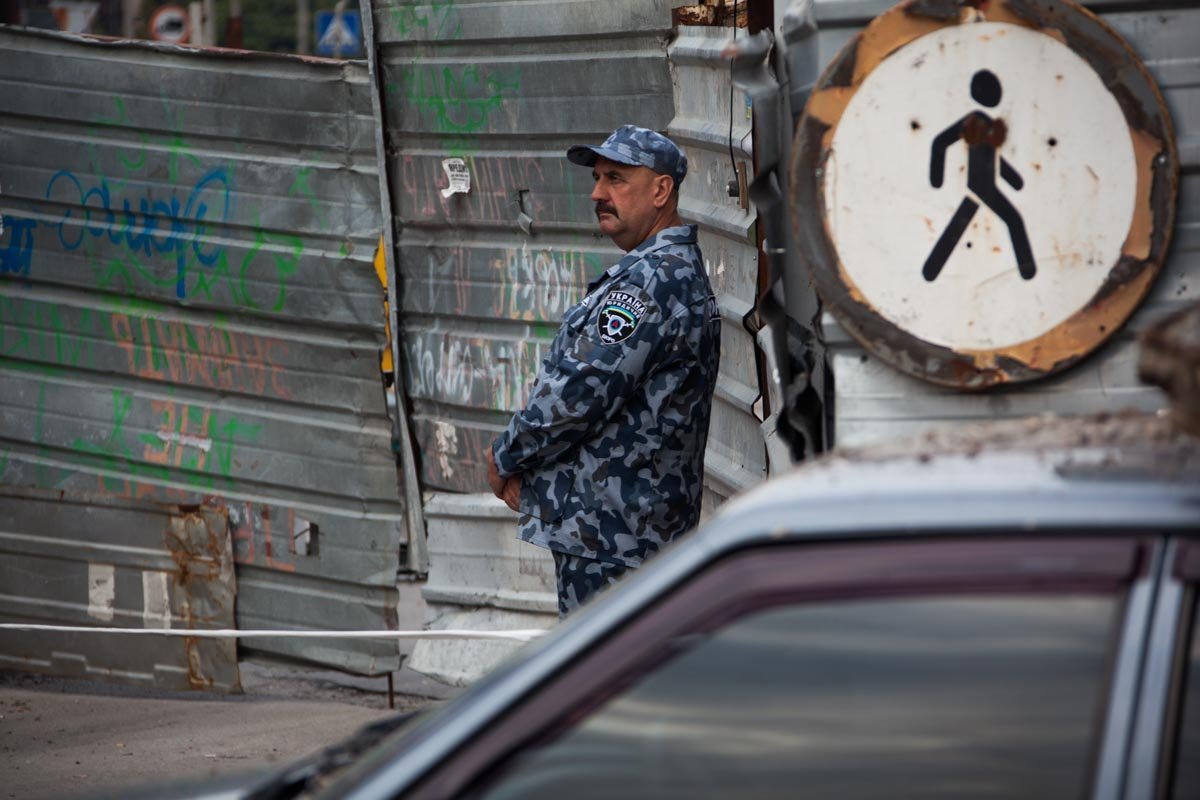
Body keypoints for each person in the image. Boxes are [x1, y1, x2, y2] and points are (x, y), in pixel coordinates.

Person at [486, 124, 721, 617]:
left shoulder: (652, 282)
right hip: (624, 532)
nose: (597, 193)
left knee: (606, 682)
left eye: (616, 178)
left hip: (616, 537)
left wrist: (506, 455)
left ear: (661, 190)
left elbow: (577, 393)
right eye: (597, 178)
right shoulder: (662, 272)